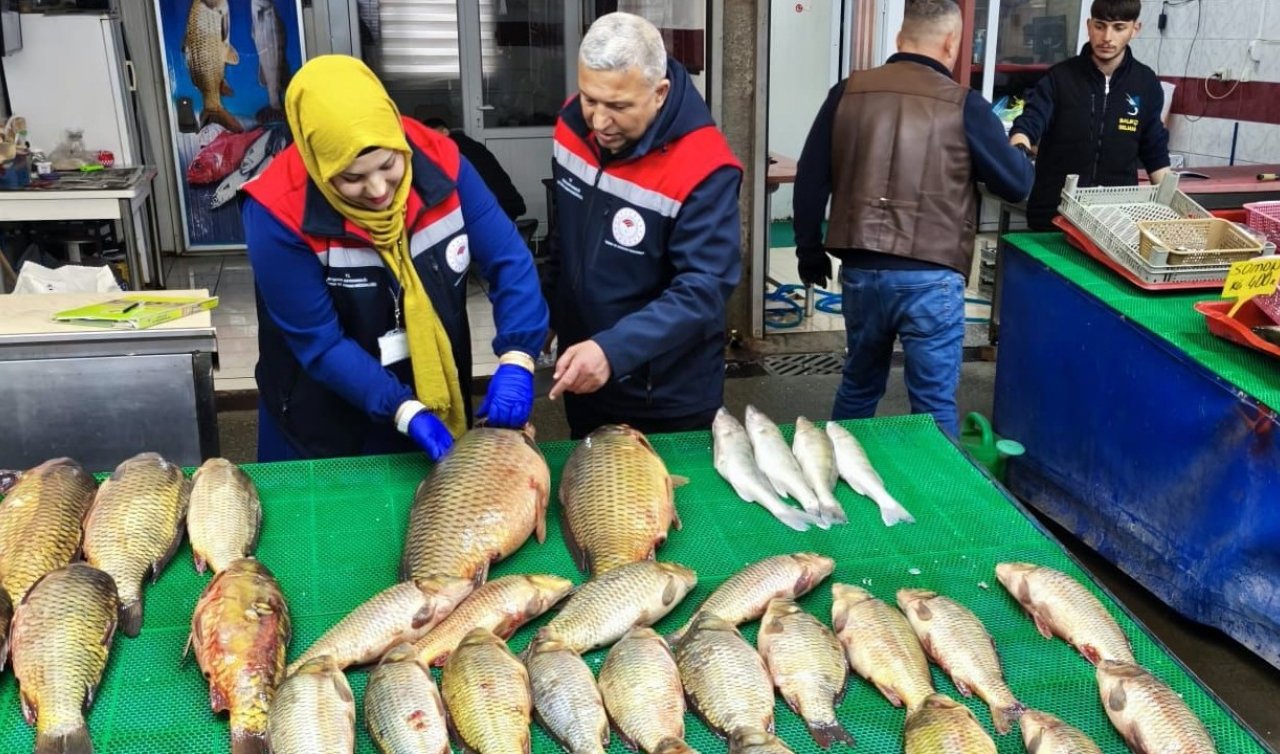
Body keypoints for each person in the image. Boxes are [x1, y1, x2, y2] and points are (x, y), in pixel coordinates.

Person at [242, 55, 548, 462]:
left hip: (426, 387)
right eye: (351, 177)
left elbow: (510, 260)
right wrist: (402, 410)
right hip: (320, 414)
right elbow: (321, 343)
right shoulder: (276, 212)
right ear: (317, 163)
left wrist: (518, 355)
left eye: (389, 164)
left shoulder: (442, 161)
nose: (378, 189)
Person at [792, 0, 1033, 437]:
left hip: (862, 270)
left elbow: (810, 178)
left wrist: (809, 251)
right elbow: (1017, 185)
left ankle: (837, 486)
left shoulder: (848, 92)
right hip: (932, 276)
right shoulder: (965, 105)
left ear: (900, 38)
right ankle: (942, 501)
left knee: (859, 386)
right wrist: (1018, 145)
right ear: (951, 43)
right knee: (932, 404)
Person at [544, 12, 743, 439]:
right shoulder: (570, 125)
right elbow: (566, 231)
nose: (599, 122)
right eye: (589, 99)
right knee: (592, 495)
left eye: (618, 106)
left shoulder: (705, 166)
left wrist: (613, 351)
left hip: (666, 393)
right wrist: (548, 309)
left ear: (660, 92)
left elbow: (703, 289)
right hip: (587, 372)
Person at [1010, 0, 1171, 230]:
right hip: (1053, 216)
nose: (1107, 36)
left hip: (1115, 219)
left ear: (1135, 29)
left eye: (1118, 27)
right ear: (1088, 26)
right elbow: (1029, 124)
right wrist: (1018, 149)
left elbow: (1155, 151)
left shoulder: (1145, 84)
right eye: (1100, 26)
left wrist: (1174, 209)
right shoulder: (1060, 78)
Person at [424, 117, 528, 221]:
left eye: (431, 137)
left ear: (445, 132)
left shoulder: (455, 152)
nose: (430, 143)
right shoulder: (469, 145)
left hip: (494, 211)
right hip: (506, 206)